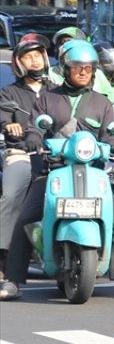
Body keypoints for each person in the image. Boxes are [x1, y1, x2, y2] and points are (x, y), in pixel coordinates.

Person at [1, 40, 114, 301]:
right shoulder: (48, 98)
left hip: (92, 172)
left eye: (88, 69)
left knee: (112, 217)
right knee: (25, 217)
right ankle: (13, 280)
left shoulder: (101, 102)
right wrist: (34, 138)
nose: (83, 72)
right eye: (77, 67)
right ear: (65, 69)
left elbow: (111, 132)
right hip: (52, 169)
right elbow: (34, 126)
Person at [0, 34, 51, 276]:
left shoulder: (58, 90)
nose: (35, 61)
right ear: (19, 63)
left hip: (57, 155)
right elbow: (2, 117)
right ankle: (4, 256)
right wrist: (8, 125)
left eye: (38, 55)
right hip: (21, 153)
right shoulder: (9, 94)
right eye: (28, 56)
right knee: (11, 196)